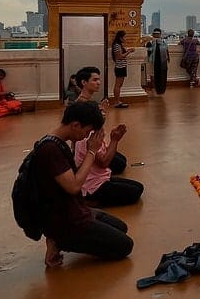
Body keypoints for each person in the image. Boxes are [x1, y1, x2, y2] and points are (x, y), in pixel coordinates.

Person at [32, 101, 133, 267]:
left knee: (121, 228)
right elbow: (73, 186)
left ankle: (71, 230)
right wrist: (92, 151)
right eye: (87, 131)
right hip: (65, 221)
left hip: (73, 209)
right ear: (76, 125)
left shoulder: (57, 142)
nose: (87, 136)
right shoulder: (50, 150)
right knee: (125, 246)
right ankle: (59, 240)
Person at [73, 121, 144, 207]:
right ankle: (89, 201)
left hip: (100, 178)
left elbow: (103, 152)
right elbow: (104, 162)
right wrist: (114, 140)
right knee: (136, 191)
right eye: (100, 110)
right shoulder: (88, 136)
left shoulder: (94, 130)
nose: (103, 111)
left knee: (138, 186)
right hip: (93, 186)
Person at [73, 66, 127, 175]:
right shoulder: (80, 105)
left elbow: (97, 125)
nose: (98, 82)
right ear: (84, 82)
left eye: (99, 79)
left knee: (121, 159)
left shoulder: (89, 102)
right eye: (95, 80)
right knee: (120, 164)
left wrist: (102, 113)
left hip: (92, 143)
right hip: (87, 146)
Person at [110, 30, 133, 108]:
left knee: (119, 85)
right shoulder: (117, 45)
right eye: (124, 37)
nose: (125, 38)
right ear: (120, 38)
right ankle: (117, 102)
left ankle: (118, 101)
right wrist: (129, 51)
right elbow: (119, 56)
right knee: (118, 85)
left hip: (121, 67)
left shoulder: (119, 45)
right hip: (120, 67)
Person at [145, 28, 170, 95]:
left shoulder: (163, 42)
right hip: (154, 61)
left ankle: (156, 87)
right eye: (155, 34)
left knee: (155, 74)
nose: (156, 35)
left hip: (159, 61)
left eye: (157, 34)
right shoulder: (152, 42)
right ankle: (154, 87)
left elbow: (166, 50)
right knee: (153, 74)